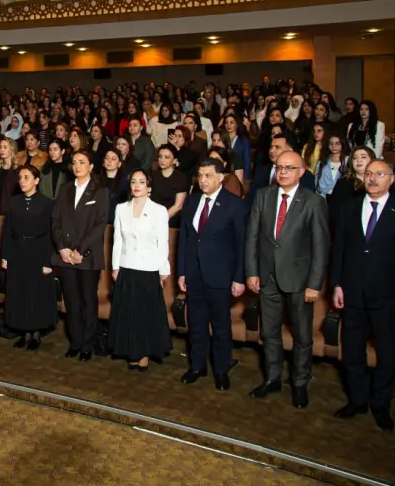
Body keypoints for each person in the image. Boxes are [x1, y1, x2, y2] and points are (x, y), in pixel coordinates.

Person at [331, 159, 395, 432]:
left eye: (379, 174)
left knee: (386, 351)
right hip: (353, 291)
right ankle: (357, 399)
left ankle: (381, 403)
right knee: (353, 349)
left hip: (388, 295)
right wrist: (337, 285)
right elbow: (340, 251)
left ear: (391, 179)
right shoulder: (349, 208)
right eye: (369, 174)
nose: (372, 179)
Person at [245, 150, 329, 409]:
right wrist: (252, 271)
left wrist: (315, 284)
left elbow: (320, 246)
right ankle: (272, 379)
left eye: (289, 168)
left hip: (300, 281)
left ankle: (300, 383)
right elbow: (252, 238)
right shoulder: (263, 195)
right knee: (269, 333)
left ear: (301, 172)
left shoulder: (314, 202)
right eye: (279, 167)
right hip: (267, 277)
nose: (283, 172)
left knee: (302, 336)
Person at [177, 157, 246, 390]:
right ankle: (197, 366)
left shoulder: (234, 204)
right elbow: (185, 239)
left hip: (221, 276)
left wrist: (239, 278)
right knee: (195, 324)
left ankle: (221, 369)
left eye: (208, 176)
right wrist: (183, 272)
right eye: (200, 176)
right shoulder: (192, 201)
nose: (203, 180)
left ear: (221, 178)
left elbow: (241, 245)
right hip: (194, 274)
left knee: (220, 327)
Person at [108, 169, 171, 371]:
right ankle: (131, 351)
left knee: (144, 314)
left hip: (148, 268)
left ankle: (143, 353)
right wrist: (115, 267)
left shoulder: (159, 211)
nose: (137, 185)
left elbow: (163, 243)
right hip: (126, 267)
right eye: (133, 181)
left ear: (149, 187)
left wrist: (163, 270)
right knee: (128, 313)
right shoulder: (121, 208)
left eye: (141, 182)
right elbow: (117, 240)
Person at [51, 149, 109, 361]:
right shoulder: (64, 189)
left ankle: (87, 344)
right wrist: (63, 248)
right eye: (74, 162)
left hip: (87, 255)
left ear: (91, 166)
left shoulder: (100, 191)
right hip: (66, 255)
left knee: (87, 301)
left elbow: (99, 225)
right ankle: (75, 342)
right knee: (71, 302)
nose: (77, 166)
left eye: (82, 162)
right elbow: (55, 222)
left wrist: (79, 250)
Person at [1, 165, 56, 350]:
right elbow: (7, 231)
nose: (22, 181)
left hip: (38, 252)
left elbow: (51, 233)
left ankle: (36, 335)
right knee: (20, 293)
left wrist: (49, 261)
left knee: (36, 294)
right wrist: (5, 256)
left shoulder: (47, 203)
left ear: (37, 180)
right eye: (20, 178)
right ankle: (24, 333)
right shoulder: (14, 202)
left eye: (26, 177)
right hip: (18, 252)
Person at [151, 143, 188, 228]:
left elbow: (178, 206)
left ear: (174, 160)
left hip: (171, 217)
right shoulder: (153, 175)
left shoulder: (180, 177)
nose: (162, 160)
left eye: (166, 157)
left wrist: (161, 220)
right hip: (153, 215)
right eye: (160, 157)